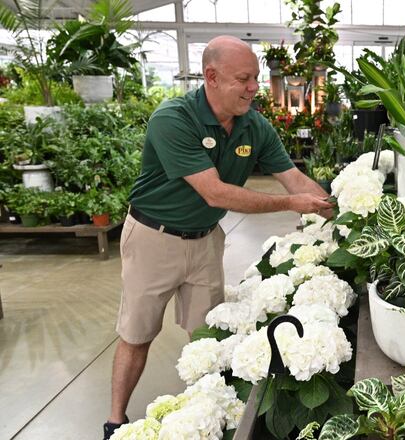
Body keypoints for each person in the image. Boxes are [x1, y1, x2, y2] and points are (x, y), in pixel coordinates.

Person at [103, 35, 333, 439]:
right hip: (153, 237)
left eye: (255, 78)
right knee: (137, 334)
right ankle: (115, 420)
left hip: (207, 239)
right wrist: (291, 204)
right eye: (244, 79)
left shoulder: (253, 125)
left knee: (209, 335)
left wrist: (334, 206)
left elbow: (292, 177)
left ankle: (202, 417)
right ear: (211, 77)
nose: (253, 88)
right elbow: (215, 192)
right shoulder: (173, 119)